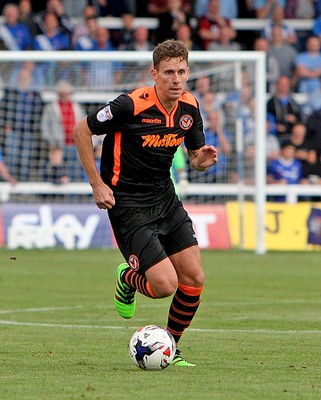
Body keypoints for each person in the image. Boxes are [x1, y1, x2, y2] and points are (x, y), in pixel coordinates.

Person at [73, 39, 218, 367]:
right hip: (127, 204)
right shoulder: (130, 105)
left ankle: (170, 347)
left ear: (188, 72)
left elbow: (194, 156)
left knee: (194, 278)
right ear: (154, 74)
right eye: (169, 72)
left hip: (165, 199)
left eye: (181, 71)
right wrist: (97, 184)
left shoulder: (190, 107)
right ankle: (127, 277)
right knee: (165, 284)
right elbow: (81, 131)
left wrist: (200, 160)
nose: (176, 79)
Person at [41, 80, 86, 182]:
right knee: (59, 171)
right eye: (62, 94)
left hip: (75, 145)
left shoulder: (77, 107)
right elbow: (45, 127)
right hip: (58, 146)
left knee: (75, 170)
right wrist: (52, 141)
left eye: (66, 94)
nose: (64, 96)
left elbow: (84, 123)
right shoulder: (51, 107)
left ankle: (73, 196)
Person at [266, 75, 302, 143]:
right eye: (282, 84)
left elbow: (300, 119)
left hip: (291, 136)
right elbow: (267, 120)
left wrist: (294, 120)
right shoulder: (271, 103)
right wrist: (275, 126)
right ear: (277, 85)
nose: (284, 87)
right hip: (275, 136)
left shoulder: (293, 103)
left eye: (286, 85)